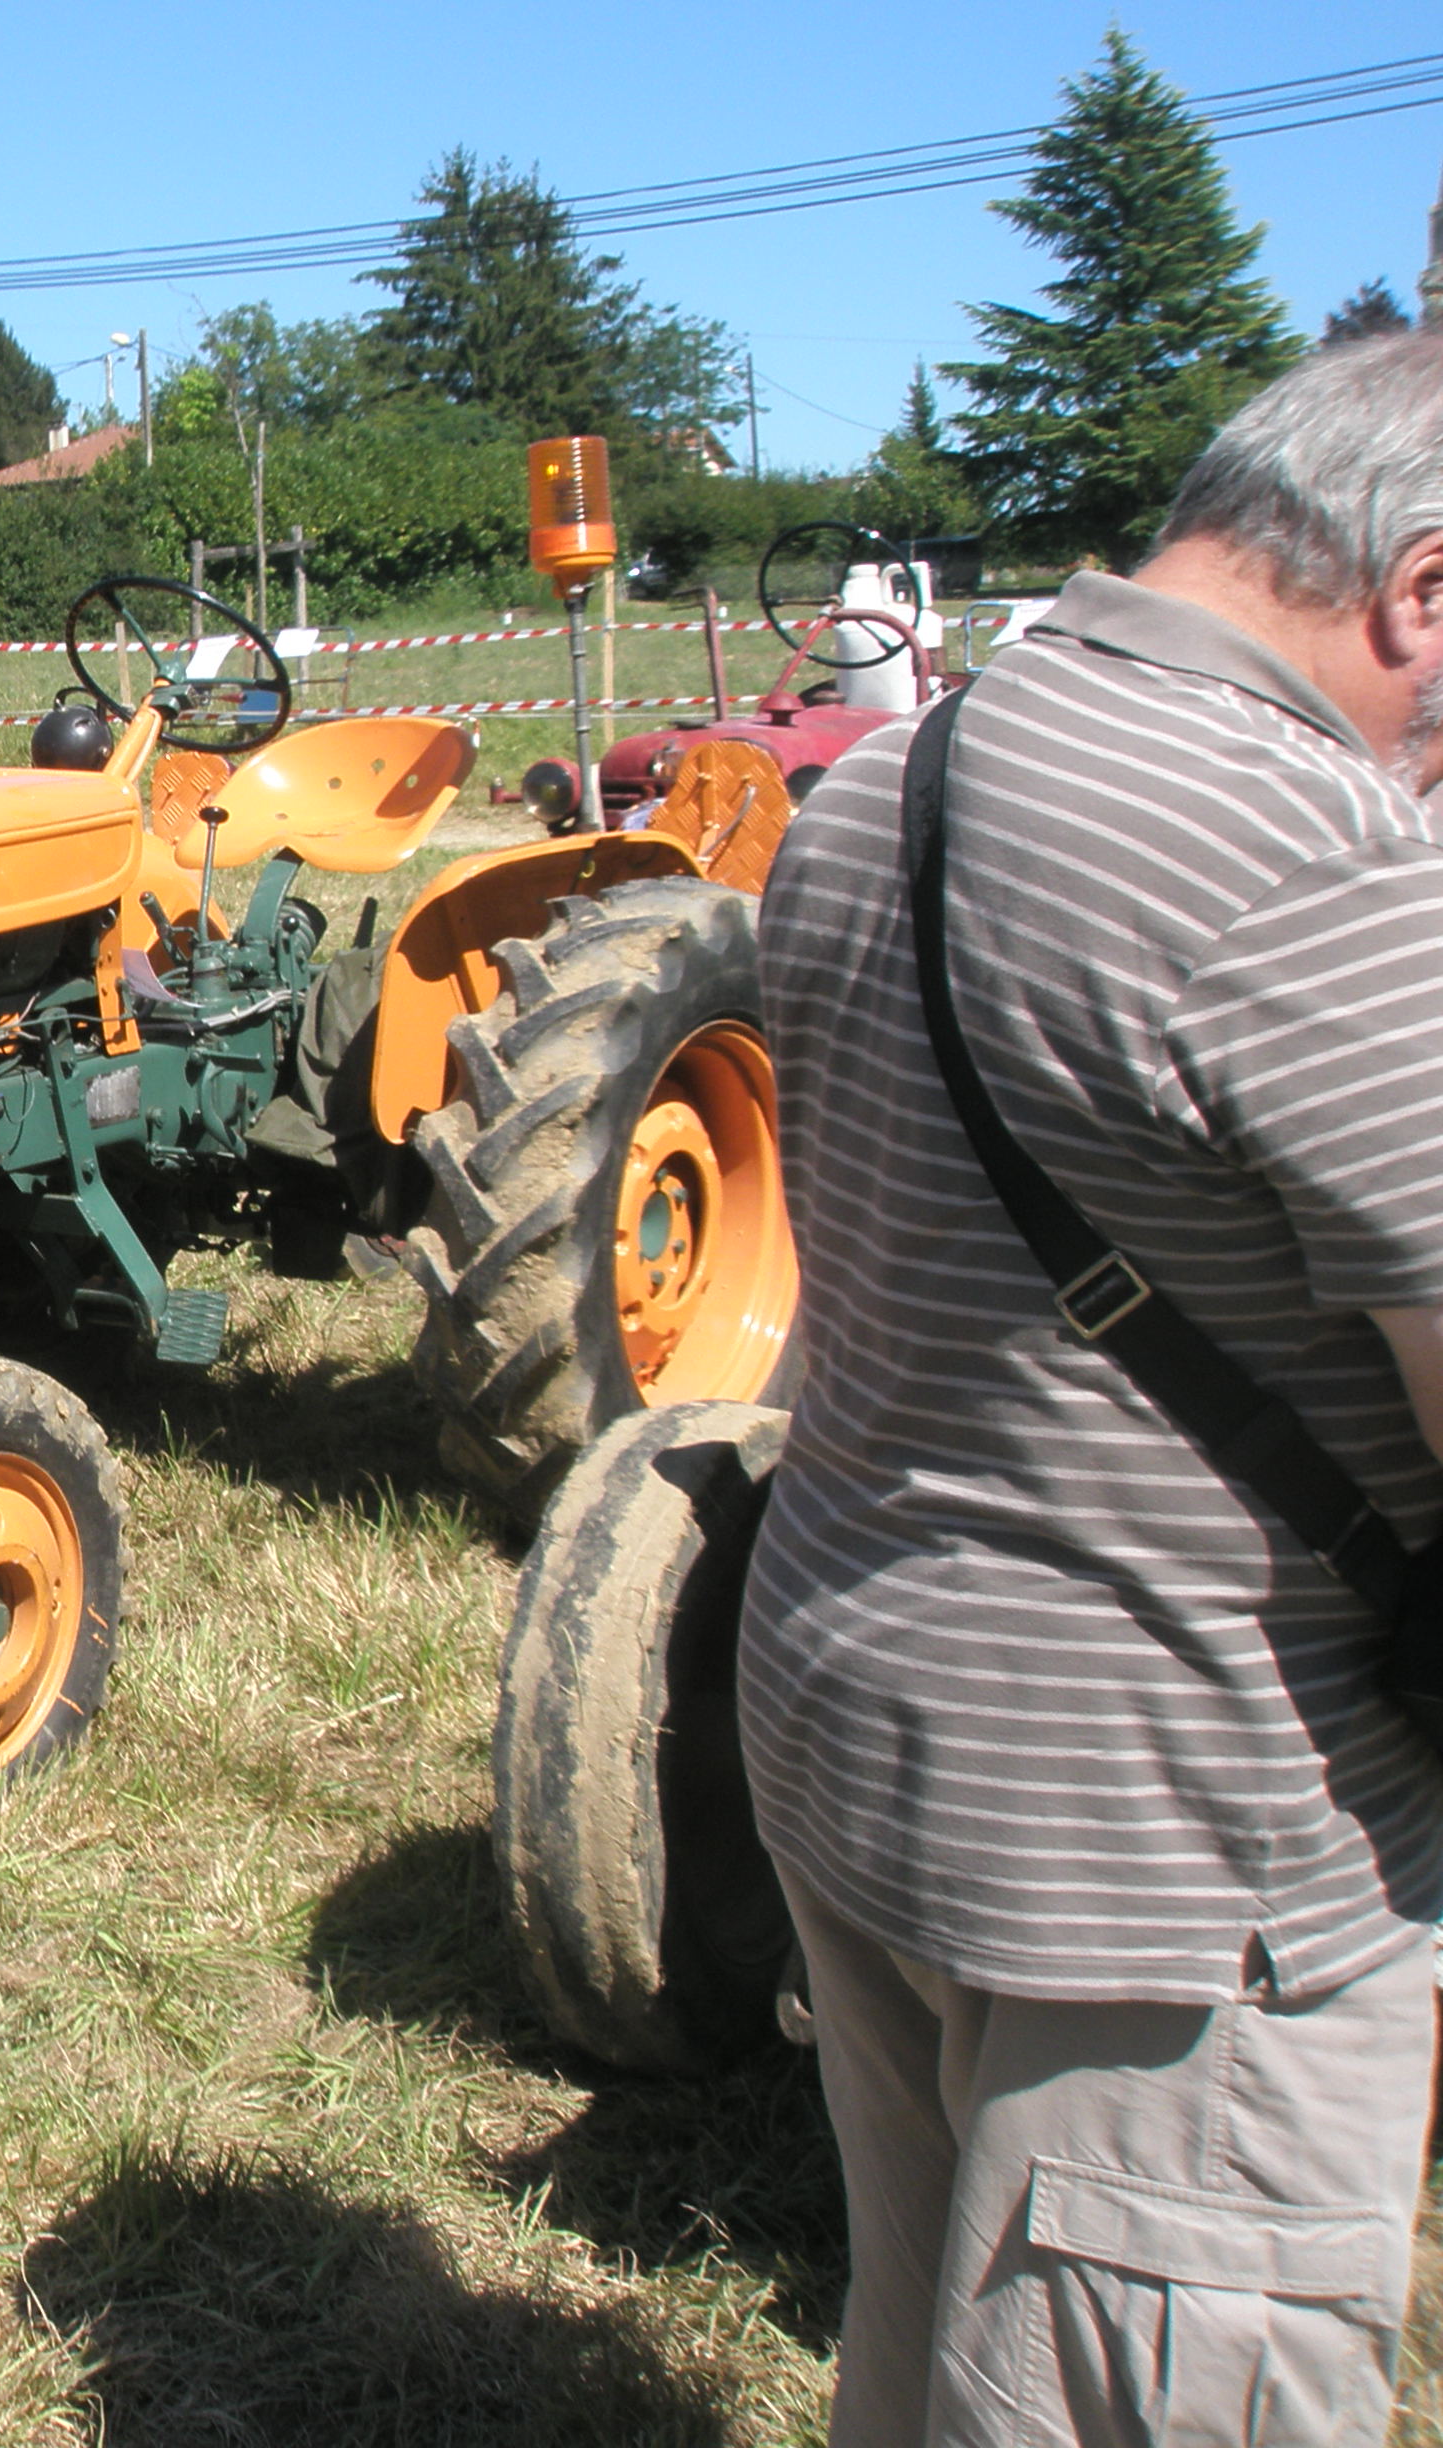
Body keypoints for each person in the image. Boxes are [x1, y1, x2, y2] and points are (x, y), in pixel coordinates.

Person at [743, 328, 1443, 2447]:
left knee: (938, 2333)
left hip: (868, 1718)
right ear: (1425, 591)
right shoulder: (1305, 860)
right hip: (1182, 1848)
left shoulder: (884, 790)